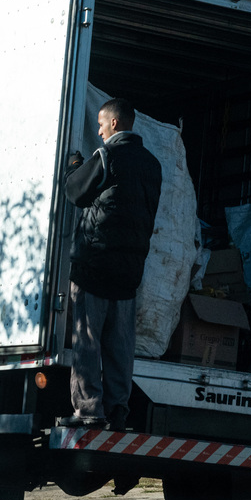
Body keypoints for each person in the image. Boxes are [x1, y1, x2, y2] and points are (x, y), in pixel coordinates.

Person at [59, 98, 162, 431]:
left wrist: (75, 167)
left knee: (87, 341)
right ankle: (117, 410)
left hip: (95, 266)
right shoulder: (153, 165)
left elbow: (76, 192)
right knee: (120, 346)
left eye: (101, 124)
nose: (99, 131)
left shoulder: (107, 155)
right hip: (129, 272)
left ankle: (89, 410)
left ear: (115, 123)